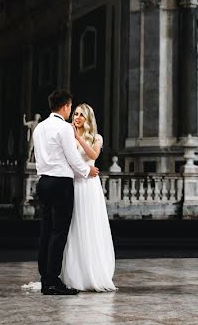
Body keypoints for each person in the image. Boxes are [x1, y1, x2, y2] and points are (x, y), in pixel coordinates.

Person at [29, 90, 100, 296]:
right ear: (66, 107)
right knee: (59, 233)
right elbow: (73, 158)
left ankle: (45, 278)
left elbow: (38, 157)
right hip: (61, 183)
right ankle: (52, 281)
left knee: (45, 232)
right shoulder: (64, 128)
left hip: (43, 182)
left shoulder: (39, 128)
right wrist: (88, 170)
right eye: (71, 108)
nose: (72, 112)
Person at [62, 103, 117, 292]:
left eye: (81, 115)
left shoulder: (97, 137)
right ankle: (74, 274)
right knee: (74, 227)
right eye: (75, 114)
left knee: (90, 225)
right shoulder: (67, 135)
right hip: (74, 185)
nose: (76, 117)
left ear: (88, 119)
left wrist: (78, 137)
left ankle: (93, 272)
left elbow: (93, 154)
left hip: (90, 187)